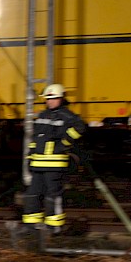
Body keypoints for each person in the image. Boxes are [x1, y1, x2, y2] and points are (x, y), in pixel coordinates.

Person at [21, 83, 85, 234]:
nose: (50, 101)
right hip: (38, 163)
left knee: (53, 195)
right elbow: (35, 138)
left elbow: (80, 128)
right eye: (48, 99)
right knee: (32, 193)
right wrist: (30, 156)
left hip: (54, 163)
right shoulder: (43, 115)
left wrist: (64, 144)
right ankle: (31, 225)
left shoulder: (67, 116)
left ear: (61, 99)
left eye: (53, 98)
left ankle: (54, 226)